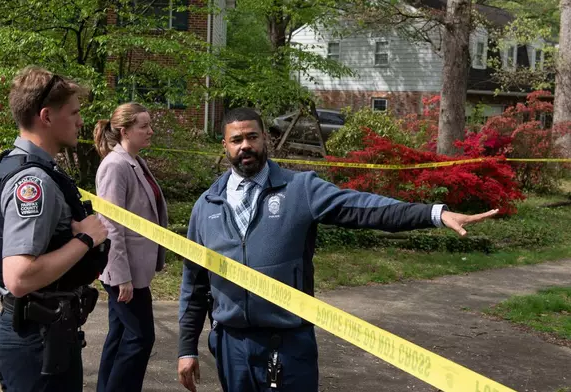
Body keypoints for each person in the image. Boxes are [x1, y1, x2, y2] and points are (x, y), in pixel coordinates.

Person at [176, 107, 498, 392]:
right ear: (225, 145)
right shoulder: (207, 206)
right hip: (231, 347)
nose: (245, 145)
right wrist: (186, 349)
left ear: (265, 140)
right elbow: (195, 284)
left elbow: (363, 208)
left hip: (287, 344)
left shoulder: (300, 189)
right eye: (236, 140)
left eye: (252, 136)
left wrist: (434, 214)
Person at [0, 66, 109, 392]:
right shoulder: (33, 181)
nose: (81, 121)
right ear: (46, 117)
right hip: (37, 339)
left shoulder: (16, 164)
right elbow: (19, 277)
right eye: (74, 112)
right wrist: (85, 238)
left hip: (43, 332)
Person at [93, 102, 168, 392]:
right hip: (125, 275)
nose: (150, 131)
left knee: (121, 335)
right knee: (140, 338)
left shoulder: (134, 160)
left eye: (150, 125)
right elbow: (111, 224)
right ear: (124, 130)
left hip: (135, 270)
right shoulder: (115, 165)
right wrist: (121, 275)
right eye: (144, 126)